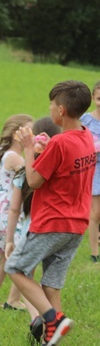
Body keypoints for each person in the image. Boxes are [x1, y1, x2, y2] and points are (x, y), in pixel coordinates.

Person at [5, 80, 95, 346]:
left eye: (51, 104)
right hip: (76, 225)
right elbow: (61, 167)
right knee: (51, 285)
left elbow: (33, 181)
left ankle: (52, 319)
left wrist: (30, 147)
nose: (49, 108)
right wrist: (42, 149)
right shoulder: (86, 137)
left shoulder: (59, 143)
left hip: (51, 223)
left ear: (61, 110)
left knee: (16, 269)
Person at [4, 117, 62, 345]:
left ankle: (40, 317)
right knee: (52, 283)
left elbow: (14, 208)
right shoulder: (56, 169)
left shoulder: (24, 174)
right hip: (56, 231)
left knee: (25, 275)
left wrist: (9, 240)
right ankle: (53, 335)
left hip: (31, 233)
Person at [0, 114, 33, 310]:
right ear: (15, 134)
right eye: (28, 130)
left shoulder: (12, 155)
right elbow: (31, 175)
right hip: (6, 212)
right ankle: (11, 300)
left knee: (7, 259)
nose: (32, 134)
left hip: (3, 210)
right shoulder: (13, 157)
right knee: (18, 257)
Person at [80, 80, 100, 262]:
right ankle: (95, 253)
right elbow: (78, 142)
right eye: (99, 98)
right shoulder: (85, 120)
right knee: (95, 212)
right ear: (94, 98)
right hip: (93, 169)